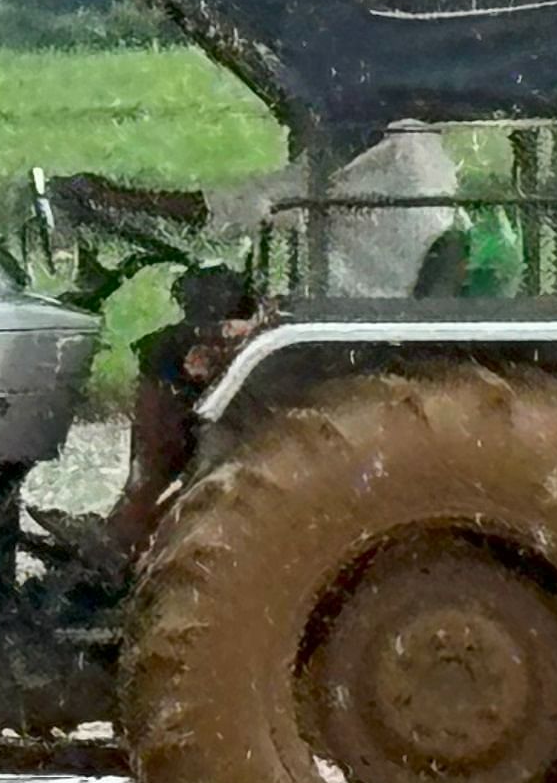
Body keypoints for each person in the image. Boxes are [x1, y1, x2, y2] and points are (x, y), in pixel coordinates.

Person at [52, 123, 472, 556]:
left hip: (344, 341)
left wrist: (111, 199)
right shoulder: (414, 152)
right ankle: (157, 522)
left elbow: (236, 207)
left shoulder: (370, 162)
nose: (295, 131)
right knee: (214, 328)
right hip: (362, 325)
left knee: (169, 351)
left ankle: (132, 524)